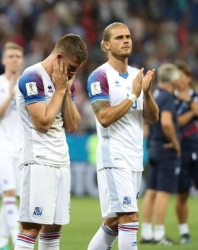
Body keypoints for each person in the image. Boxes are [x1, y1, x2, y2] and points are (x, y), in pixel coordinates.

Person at [86, 22, 159, 250]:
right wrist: (133, 94)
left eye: (128, 36)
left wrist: (146, 94)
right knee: (129, 218)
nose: (126, 40)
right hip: (113, 156)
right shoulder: (99, 76)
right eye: (119, 38)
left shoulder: (138, 74)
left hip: (134, 157)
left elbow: (153, 117)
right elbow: (104, 117)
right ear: (106, 45)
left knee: (116, 221)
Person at [14, 34, 88, 250]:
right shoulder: (32, 77)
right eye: (72, 66)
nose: (74, 73)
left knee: (54, 230)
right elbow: (43, 123)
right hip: (38, 161)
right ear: (59, 57)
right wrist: (61, 89)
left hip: (61, 162)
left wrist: (64, 90)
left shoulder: (65, 82)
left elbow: (73, 125)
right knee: (31, 228)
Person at [0, 42, 24, 250]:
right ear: (3, 60)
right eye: (11, 56)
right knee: (9, 192)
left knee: (12, 195)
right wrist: (10, 95)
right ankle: (18, 241)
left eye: (18, 56)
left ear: (22, 60)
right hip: (1, 147)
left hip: (22, 149)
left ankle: (1, 243)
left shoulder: (28, 84)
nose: (14, 59)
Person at [140, 63, 181, 245]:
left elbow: (147, 123)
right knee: (163, 193)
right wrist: (175, 143)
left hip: (153, 147)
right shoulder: (168, 97)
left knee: (151, 191)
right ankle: (158, 234)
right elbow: (166, 122)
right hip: (165, 149)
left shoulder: (155, 94)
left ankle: (147, 232)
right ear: (173, 79)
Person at [173, 63, 198, 244]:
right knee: (182, 193)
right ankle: (184, 232)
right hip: (180, 151)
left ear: (189, 78)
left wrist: (189, 103)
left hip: (196, 148)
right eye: (176, 77)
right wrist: (191, 113)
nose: (178, 80)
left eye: (181, 76)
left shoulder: (194, 97)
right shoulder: (170, 99)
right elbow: (175, 123)